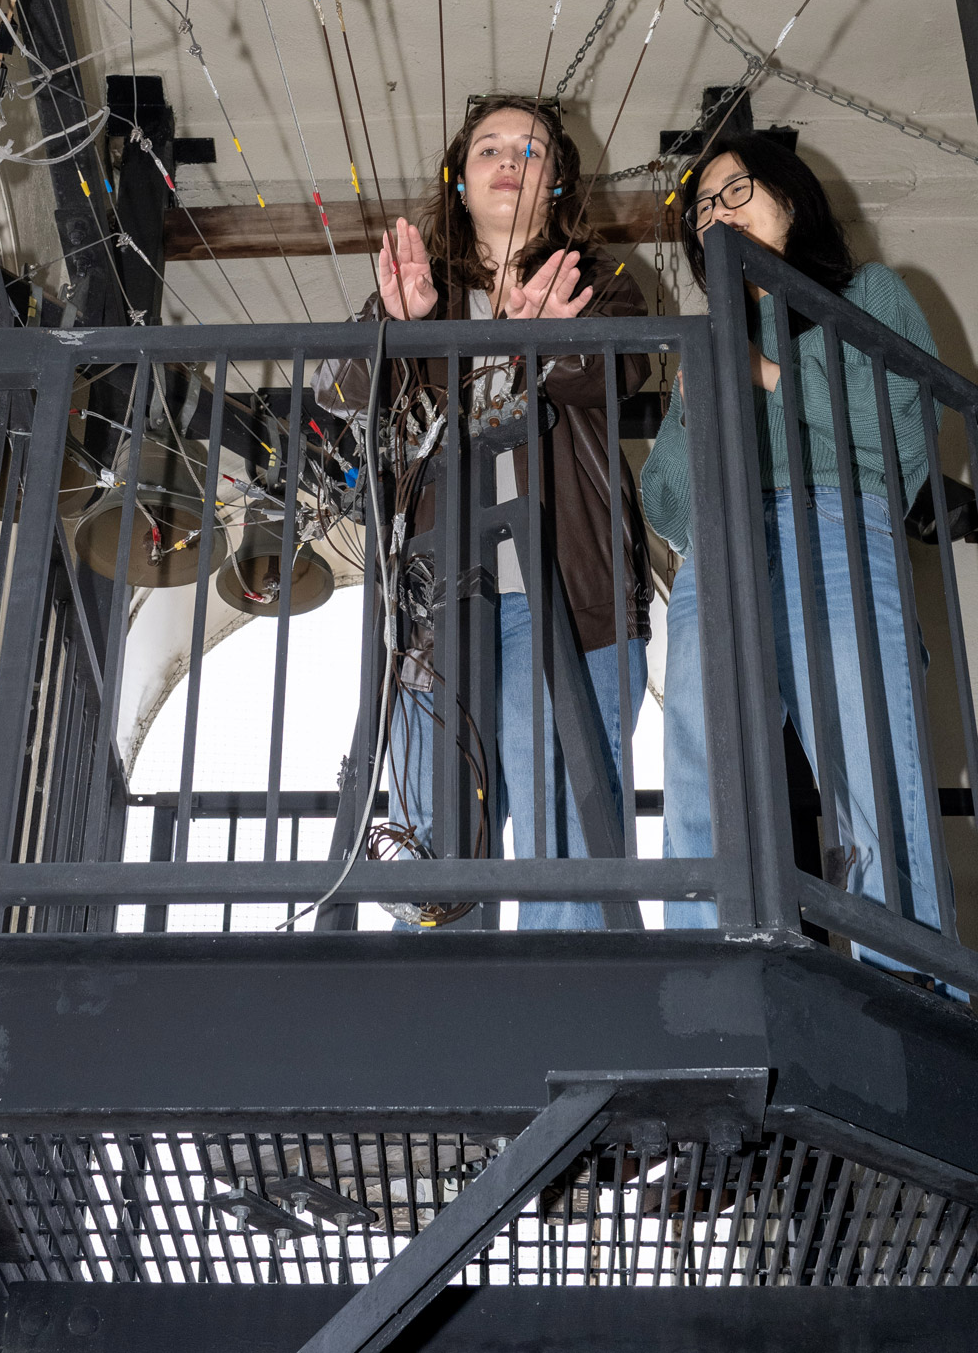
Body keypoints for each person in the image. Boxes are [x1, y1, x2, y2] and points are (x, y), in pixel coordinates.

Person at [319, 95, 651, 930]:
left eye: (531, 150)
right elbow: (351, 398)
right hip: (438, 608)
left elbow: (621, 373)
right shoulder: (417, 294)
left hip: (572, 603)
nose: (508, 159)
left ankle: (568, 1032)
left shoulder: (597, 280)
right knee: (436, 849)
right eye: (488, 148)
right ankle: (427, 1042)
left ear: (561, 181)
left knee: (564, 839)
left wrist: (539, 337)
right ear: (459, 183)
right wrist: (399, 327)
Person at [641, 135, 945, 957]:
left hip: (838, 528)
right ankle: (709, 973)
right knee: (704, 775)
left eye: (733, 192)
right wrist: (704, 387)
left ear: (792, 198)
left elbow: (899, 421)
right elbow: (666, 501)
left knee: (867, 768)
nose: (714, 212)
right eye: (702, 206)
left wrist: (764, 371)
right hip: (717, 549)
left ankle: (908, 979)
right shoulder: (711, 342)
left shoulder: (868, 292)